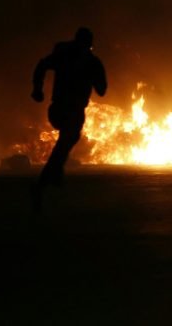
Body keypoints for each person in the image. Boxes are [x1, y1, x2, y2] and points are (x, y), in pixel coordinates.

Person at [31, 27, 107, 211]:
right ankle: (47, 179)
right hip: (68, 109)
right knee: (68, 138)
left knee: (68, 139)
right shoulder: (86, 60)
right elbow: (102, 89)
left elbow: (42, 66)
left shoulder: (66, 55)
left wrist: (37, 89)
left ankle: (54, 174)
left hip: (60, 109)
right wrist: (37, 89)